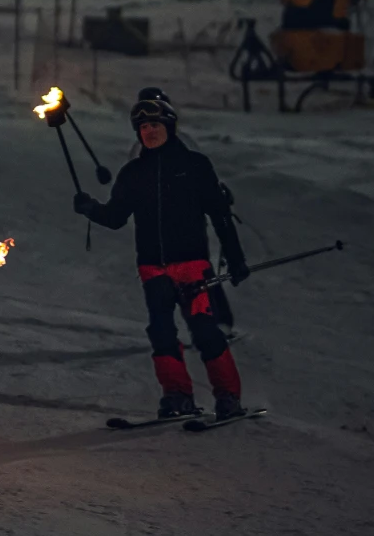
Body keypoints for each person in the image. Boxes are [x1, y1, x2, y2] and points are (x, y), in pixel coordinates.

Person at [73, 86, 250, 420]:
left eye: (155, 125)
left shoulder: (195, 166)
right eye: (143, 128)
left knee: (204, 329)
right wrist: (89, 208)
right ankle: (177, 395)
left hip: (193, 267)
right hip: (153, 269)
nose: (149, 131)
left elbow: (220, 215)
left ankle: (228, 397)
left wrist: (236, 258)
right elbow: (115, 218)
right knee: (161, 331)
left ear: (169, 126)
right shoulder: (133, 174)